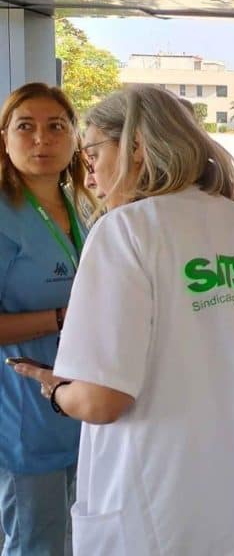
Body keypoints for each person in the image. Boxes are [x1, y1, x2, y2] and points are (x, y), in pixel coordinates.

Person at [12, 85, 234, 555]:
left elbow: (102, 400)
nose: (90, 175)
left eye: (93, 154)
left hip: (155, 513)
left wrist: (56, 390)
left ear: (135, 148)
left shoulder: (124, 231)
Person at [0, 82, 94, 556]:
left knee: (80, 535)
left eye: (56, 126)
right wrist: (61, 317)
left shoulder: (81, 205)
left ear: (75, 137)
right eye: (26, 127)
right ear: (4, 138)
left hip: (81, 401)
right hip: (24, 408)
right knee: (36, 540)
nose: (42, 139)